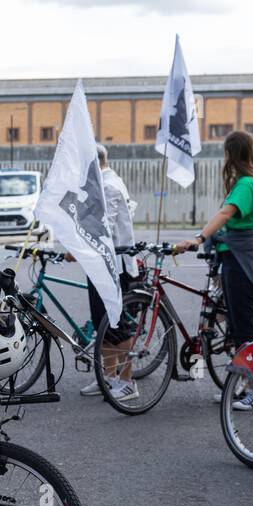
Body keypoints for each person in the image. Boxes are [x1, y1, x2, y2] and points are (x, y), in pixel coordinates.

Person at [175, 131, 253, 400]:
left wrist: (200, 237)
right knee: (237, 327)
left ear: (231, 153)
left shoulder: (246, 184)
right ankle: (242, 385)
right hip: (241, 258)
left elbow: (225, 213)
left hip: (240, 261)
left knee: (245, 327)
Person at [81, 143, 140, 400]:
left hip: (115, 266)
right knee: (102, 324)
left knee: (119, 325)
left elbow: (103, 228)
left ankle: (128, 382)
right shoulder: (100, 186)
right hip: (101, 265)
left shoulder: (109, 187)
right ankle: (109, 377)